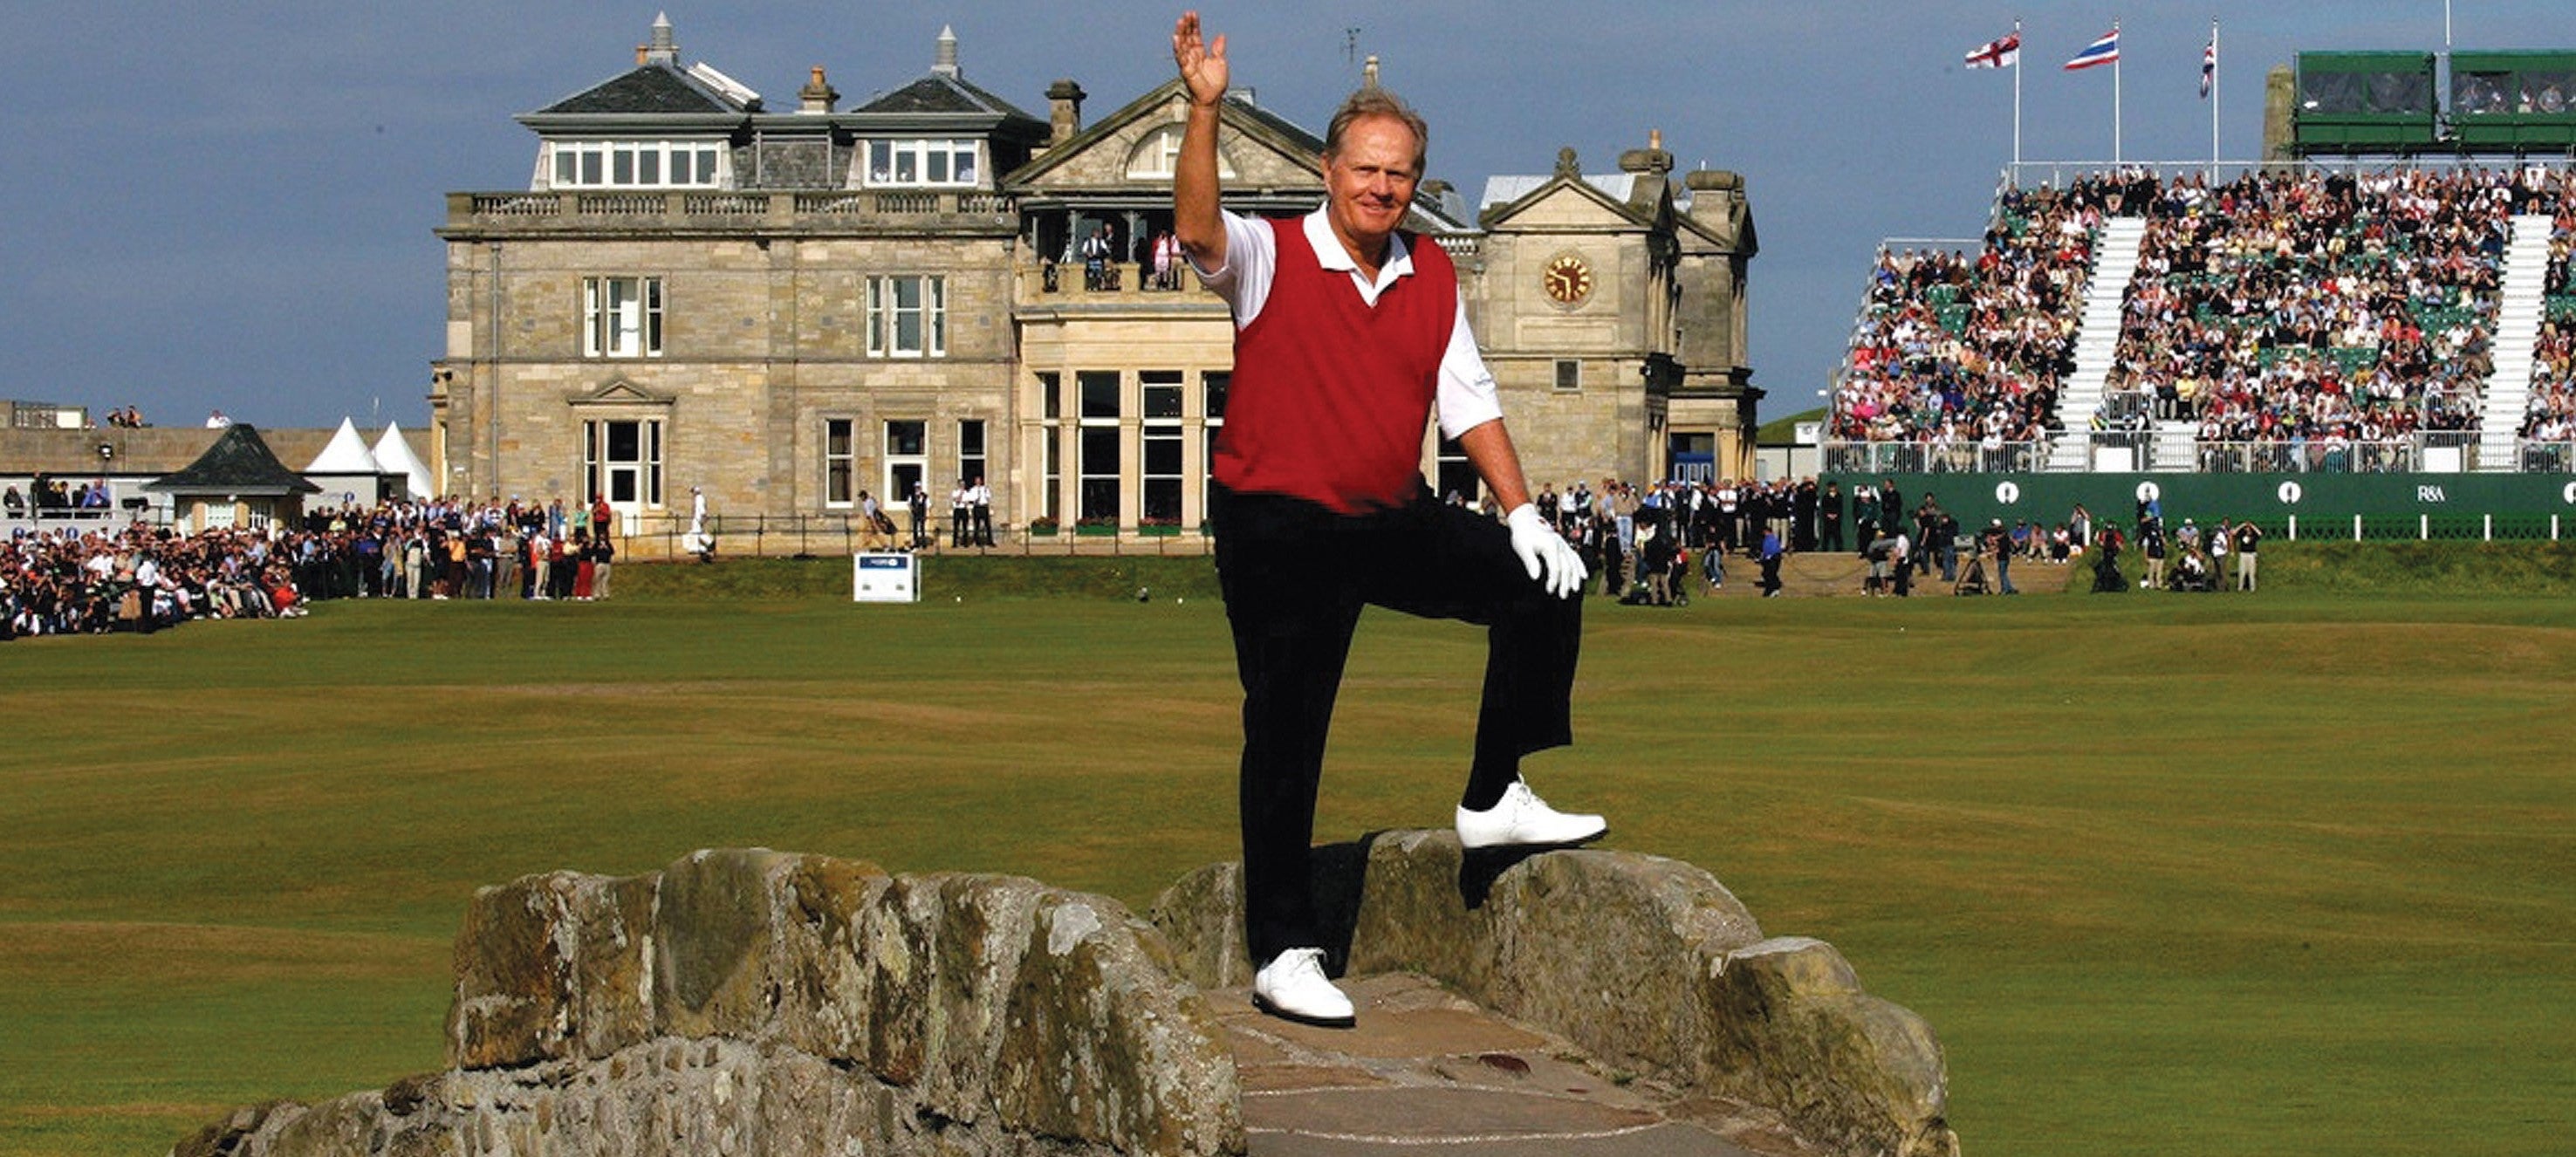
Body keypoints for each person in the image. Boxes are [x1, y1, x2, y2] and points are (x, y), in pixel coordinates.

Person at [1174, 10, 1597, 1030]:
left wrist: (1525, 513)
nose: (1381, 188)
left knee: (1542, 586)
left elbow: (1470, 399)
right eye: (1366, 169)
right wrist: (1204, 110)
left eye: (1399, 174)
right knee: (1287, 718)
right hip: (1275, 518)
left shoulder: (1433, 270)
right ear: (1329, 170)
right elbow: (1196, 232)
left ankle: (1495, 794)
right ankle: (1282, 949)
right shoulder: (1271, 255)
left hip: (1384, 512)